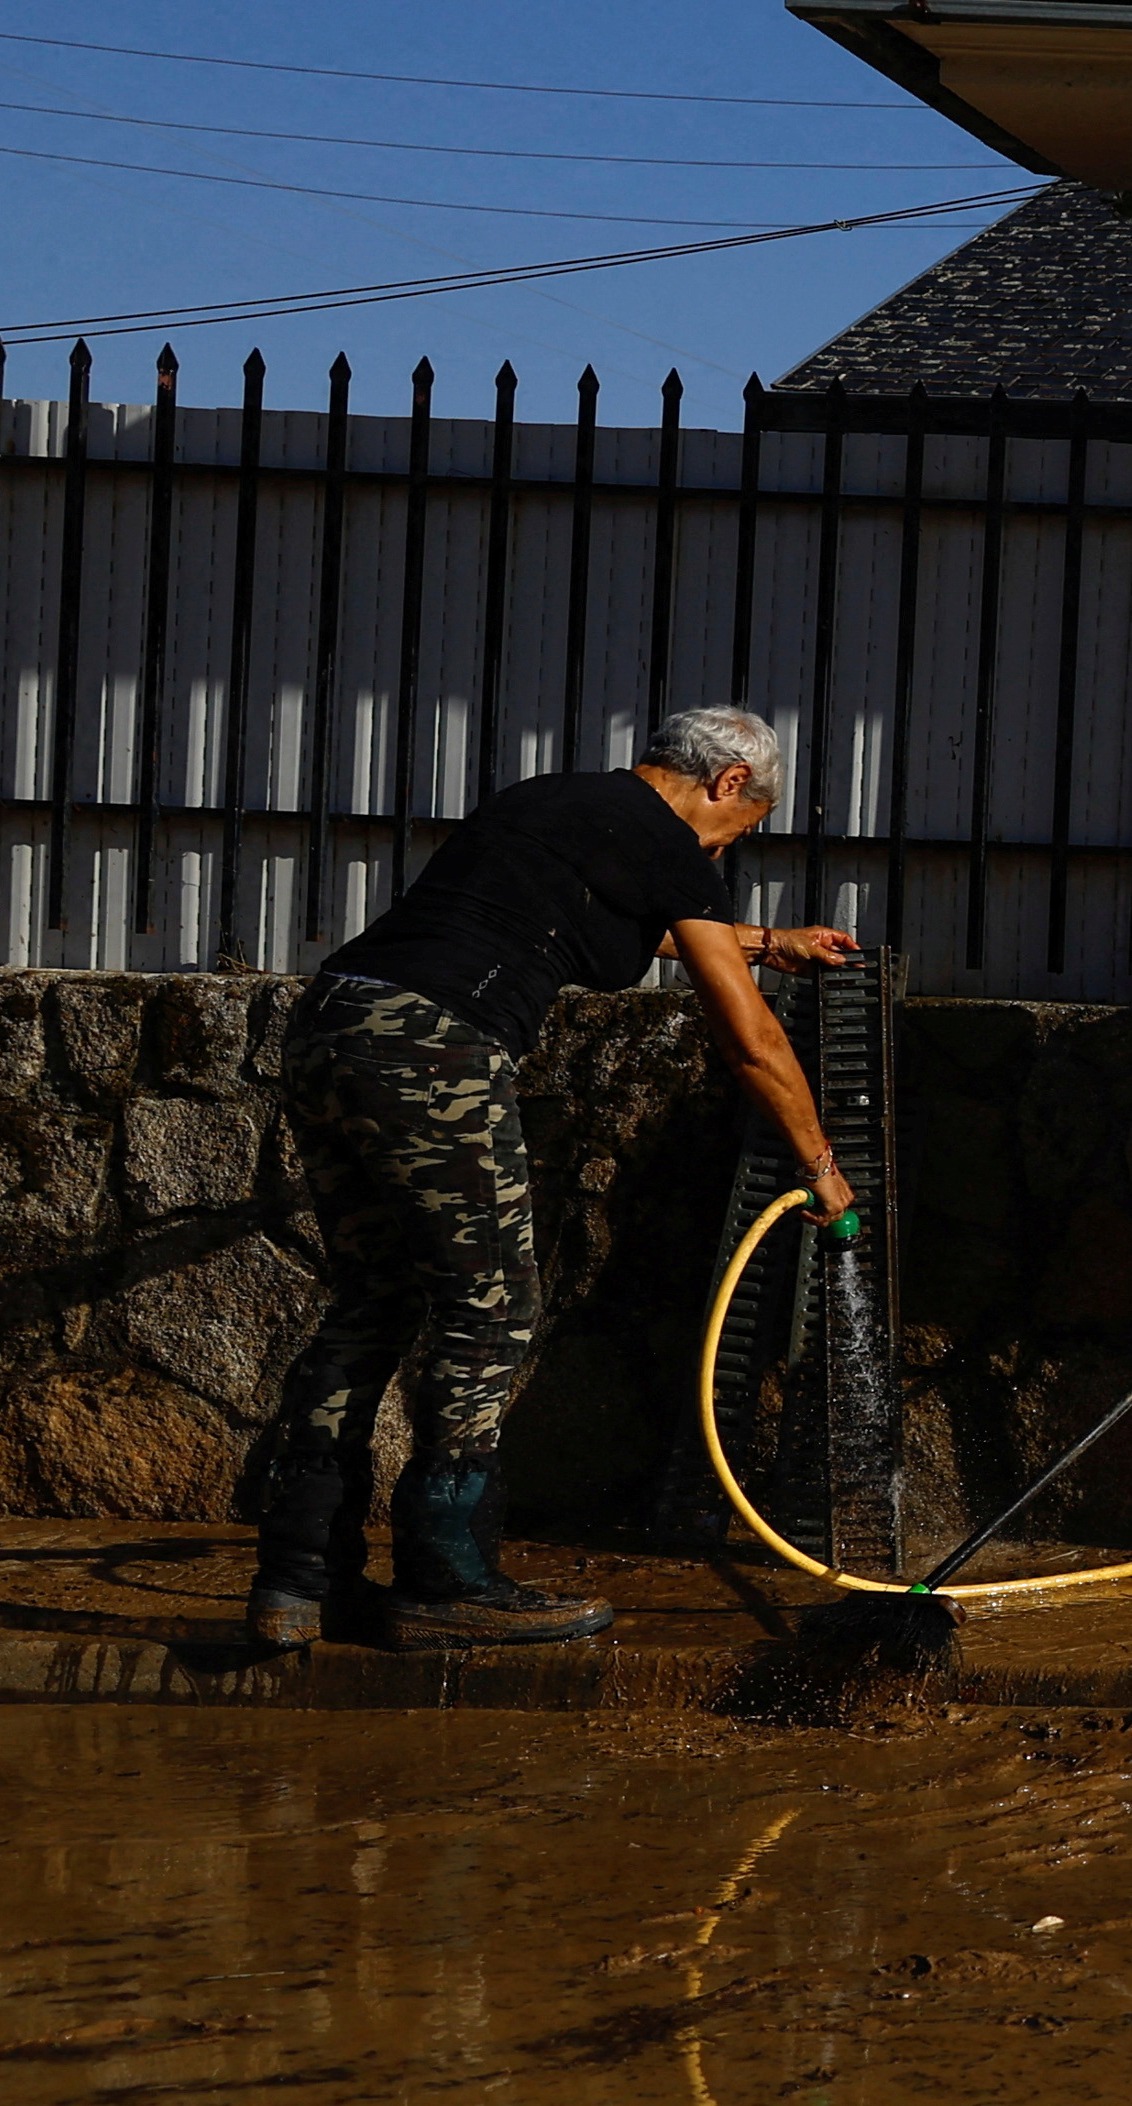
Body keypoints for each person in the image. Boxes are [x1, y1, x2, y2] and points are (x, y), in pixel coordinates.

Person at [242, 705, 864, 1660]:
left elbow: (622, 923)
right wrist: (822, 1166)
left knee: (375, 1299)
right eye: (747, 827)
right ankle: (446, 1575)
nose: (735, 847)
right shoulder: (675, 848)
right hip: (433, 1045)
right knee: (490, 1307)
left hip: (332, 1022)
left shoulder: (552, 801)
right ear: (729, 783)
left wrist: (768, 940)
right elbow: (750, 1039)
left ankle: (296, 1576)